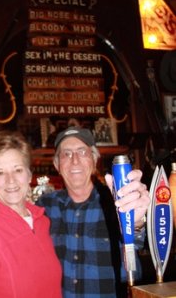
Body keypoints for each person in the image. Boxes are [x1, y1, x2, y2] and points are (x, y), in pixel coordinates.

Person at [36, 126, 150, 298]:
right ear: (56, 164)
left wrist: (136, 222)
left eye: (82, 152)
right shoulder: (44, 206)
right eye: (66, 154)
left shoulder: (117, 199)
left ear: (94, 159)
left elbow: (135, 240)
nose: (74, 161)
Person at [0, 130, 62, 298]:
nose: (11, 180)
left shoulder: (42, 221)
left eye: (18, 170)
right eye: (0, 173)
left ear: (29, 174)